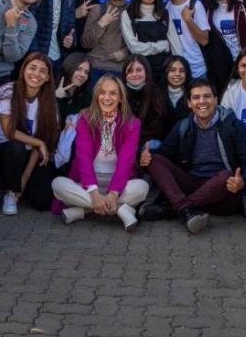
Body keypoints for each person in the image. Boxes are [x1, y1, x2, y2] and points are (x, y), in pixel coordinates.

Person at [139, 78, 246, 233]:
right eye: (196, 97)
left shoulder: (233, 126)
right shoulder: (184, 126)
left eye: (207, 96)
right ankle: (186, 210)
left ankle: (176, 208)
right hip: (193, 183)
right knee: (155, 159)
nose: (202, 101)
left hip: (225, 190)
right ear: (189, 103)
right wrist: (145, 156)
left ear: (216, 99)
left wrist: (243, 182)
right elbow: (165, 154)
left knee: (226, 176)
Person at [52, 75, 150, 230]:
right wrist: (94, 193)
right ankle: (119, 209)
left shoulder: (132, 123)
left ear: (120, 98)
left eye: (113, 93)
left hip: (118, 182)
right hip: (87, 182)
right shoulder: (85, 119)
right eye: (102, 93)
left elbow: (127, 160)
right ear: (96, 96)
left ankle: (84, 211)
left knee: (142, 187)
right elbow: (83, 157)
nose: (107, 98)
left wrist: (113, 193)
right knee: (58, 184)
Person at [0, 53, 61, 214]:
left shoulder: (49, 102)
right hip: (6, 154)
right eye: (32, 68)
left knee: (42, 202)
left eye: (42, 71)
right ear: (23, 70)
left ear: (47, 78)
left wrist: (23, 182)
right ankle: (10, 191)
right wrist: (39, 142)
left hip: (32, 156)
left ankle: (19, 188)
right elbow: (9, 132)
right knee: (17, 147)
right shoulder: (8, 90)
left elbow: (40, 145)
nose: (36, 74)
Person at [81, 0, 131, 80]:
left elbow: (141, 41)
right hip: (95, 68)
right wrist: (101, 24)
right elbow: (85, 43)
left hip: (122, 69)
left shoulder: (133, 10)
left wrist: (125, 52)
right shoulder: (98, 10)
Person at [120, 0, 171, 83]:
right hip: (139, 71)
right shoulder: (128, 14)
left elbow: (171, 44)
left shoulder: (164, 13)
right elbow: (134, 48)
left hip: (163, 70)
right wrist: (160, 46)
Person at [163, 0, 210, 79]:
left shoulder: (195, 5)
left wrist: (189, 20)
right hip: (176, 71)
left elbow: (204, 40)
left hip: (197, 70)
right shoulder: (165, 8)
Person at [123, 54, 167, 154]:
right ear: (125, 75)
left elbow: (156, 129)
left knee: (154, 145)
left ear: (146, 72)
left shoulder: (155, 93)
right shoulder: (119, 93)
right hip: (124, 141)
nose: (134, 74)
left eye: (139, 70)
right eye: (130, 71)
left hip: (146, 141)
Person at [55, 52, 93, 120]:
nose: (82, 75)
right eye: (78, 69)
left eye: (86, 72)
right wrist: (56, 98)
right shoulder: (52, 87)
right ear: (69, 67)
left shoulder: (86, 96)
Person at [162, 55, 192, 132]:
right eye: (172, 70)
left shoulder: (192, 95)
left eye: (182, 71)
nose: (177, 74)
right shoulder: (157, 94)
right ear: (165, 72)